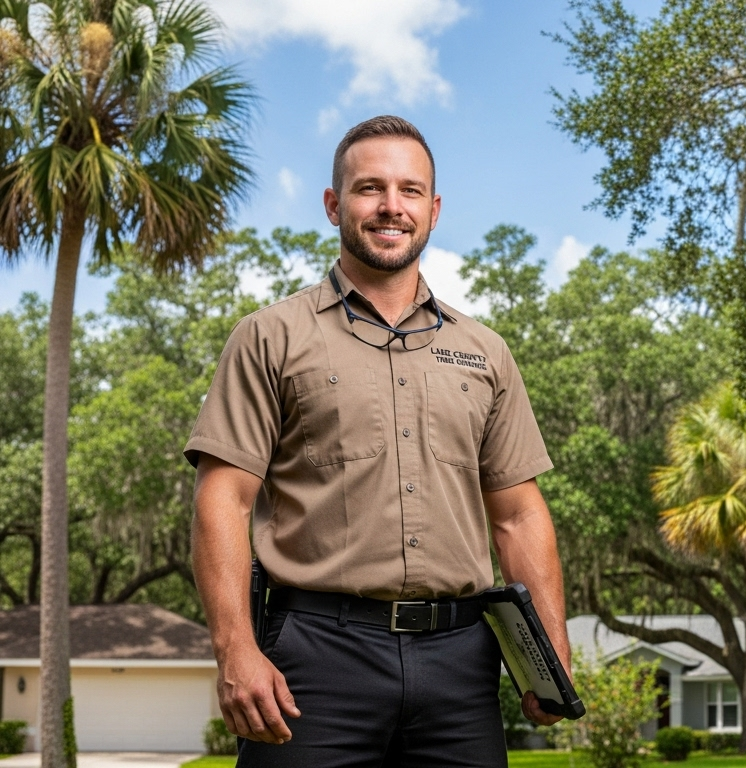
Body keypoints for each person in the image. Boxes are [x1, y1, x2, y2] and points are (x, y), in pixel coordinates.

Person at [186, 115, 569, 767]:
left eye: (410, 190)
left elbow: (518, 513)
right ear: (334, 204)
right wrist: (236, 648)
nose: (391, 206)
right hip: (314, 661)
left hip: (461, 666)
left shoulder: (485, 352)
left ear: (434, 209)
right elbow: (224, 502)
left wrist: (549, 648)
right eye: (370, 188)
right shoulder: (270, 337)